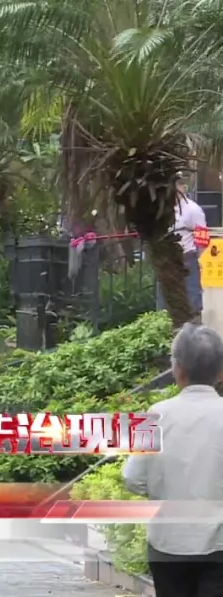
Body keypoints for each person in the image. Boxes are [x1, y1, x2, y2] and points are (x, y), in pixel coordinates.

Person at [123, 323, 223, 596]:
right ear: (220, 371)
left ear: (177, 369)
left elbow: (132, 478)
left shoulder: (155, 414)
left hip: (168, 545)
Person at [157, 176, 207, 314]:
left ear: (182, 188)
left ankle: (194, 322)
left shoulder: (193, 210)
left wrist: (197, 257)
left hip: (187, 258)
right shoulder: (161, 209)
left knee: (192, 298)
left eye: (177, 186)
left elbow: (202, 239)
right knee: (164, 299)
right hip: (165, 259)